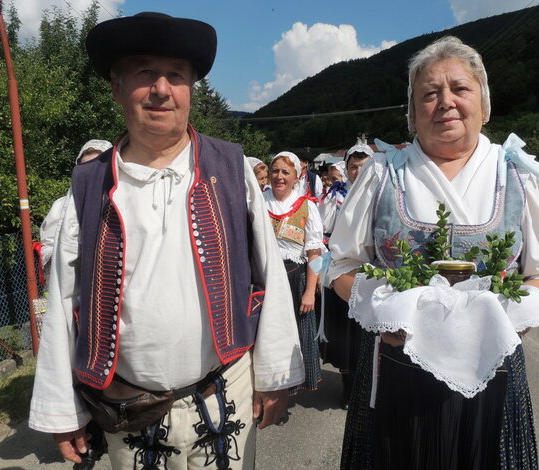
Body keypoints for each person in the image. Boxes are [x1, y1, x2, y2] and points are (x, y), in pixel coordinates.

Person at [29, 12, 304, 470]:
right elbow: (61, 299)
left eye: (176, 75)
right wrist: (63, 410)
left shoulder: (231, 169)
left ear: (190, 90)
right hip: (128, 409)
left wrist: (274, 375)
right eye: (143, 73)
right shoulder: (88, 185)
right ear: (117, 88)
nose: (161, 88)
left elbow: (270, 274)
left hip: (225, 396)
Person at [325, 36, 539, 470]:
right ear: (412, 113)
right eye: (429, 94)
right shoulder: (381, 173)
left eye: (460, 89)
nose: (445, 102)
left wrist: (515, 320)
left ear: (484, 106)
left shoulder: (520, 173)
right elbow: (341, 266)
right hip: (396, 369)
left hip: (493, 374)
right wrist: (383, 316)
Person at [264, 151, 326, 394]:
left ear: (296, 177)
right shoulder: (258, 202)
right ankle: (268, 386)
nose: (279, 176)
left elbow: (315, 254)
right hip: (265, 279)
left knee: (296, 336)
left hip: (295, 279)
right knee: (268, 335)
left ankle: (291, 386)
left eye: (285, 172)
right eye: (275, 171)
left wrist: (310, 291)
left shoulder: (307, 207)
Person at [319, 144, 373, 409]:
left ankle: (370, 387)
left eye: (363, 166)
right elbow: (324, 228)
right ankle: (349, 387)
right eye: (353, 166)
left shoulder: (381, 194)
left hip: (373, 274)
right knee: (347, 335)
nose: (357, 171)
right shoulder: (337, 196)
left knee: (370, 334)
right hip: (344, 275)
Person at [38, 140, 112, 272]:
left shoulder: (125, 205)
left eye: (98, 168)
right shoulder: (61, 207)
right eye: (86, 168)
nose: (91, 175)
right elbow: (48, 247)